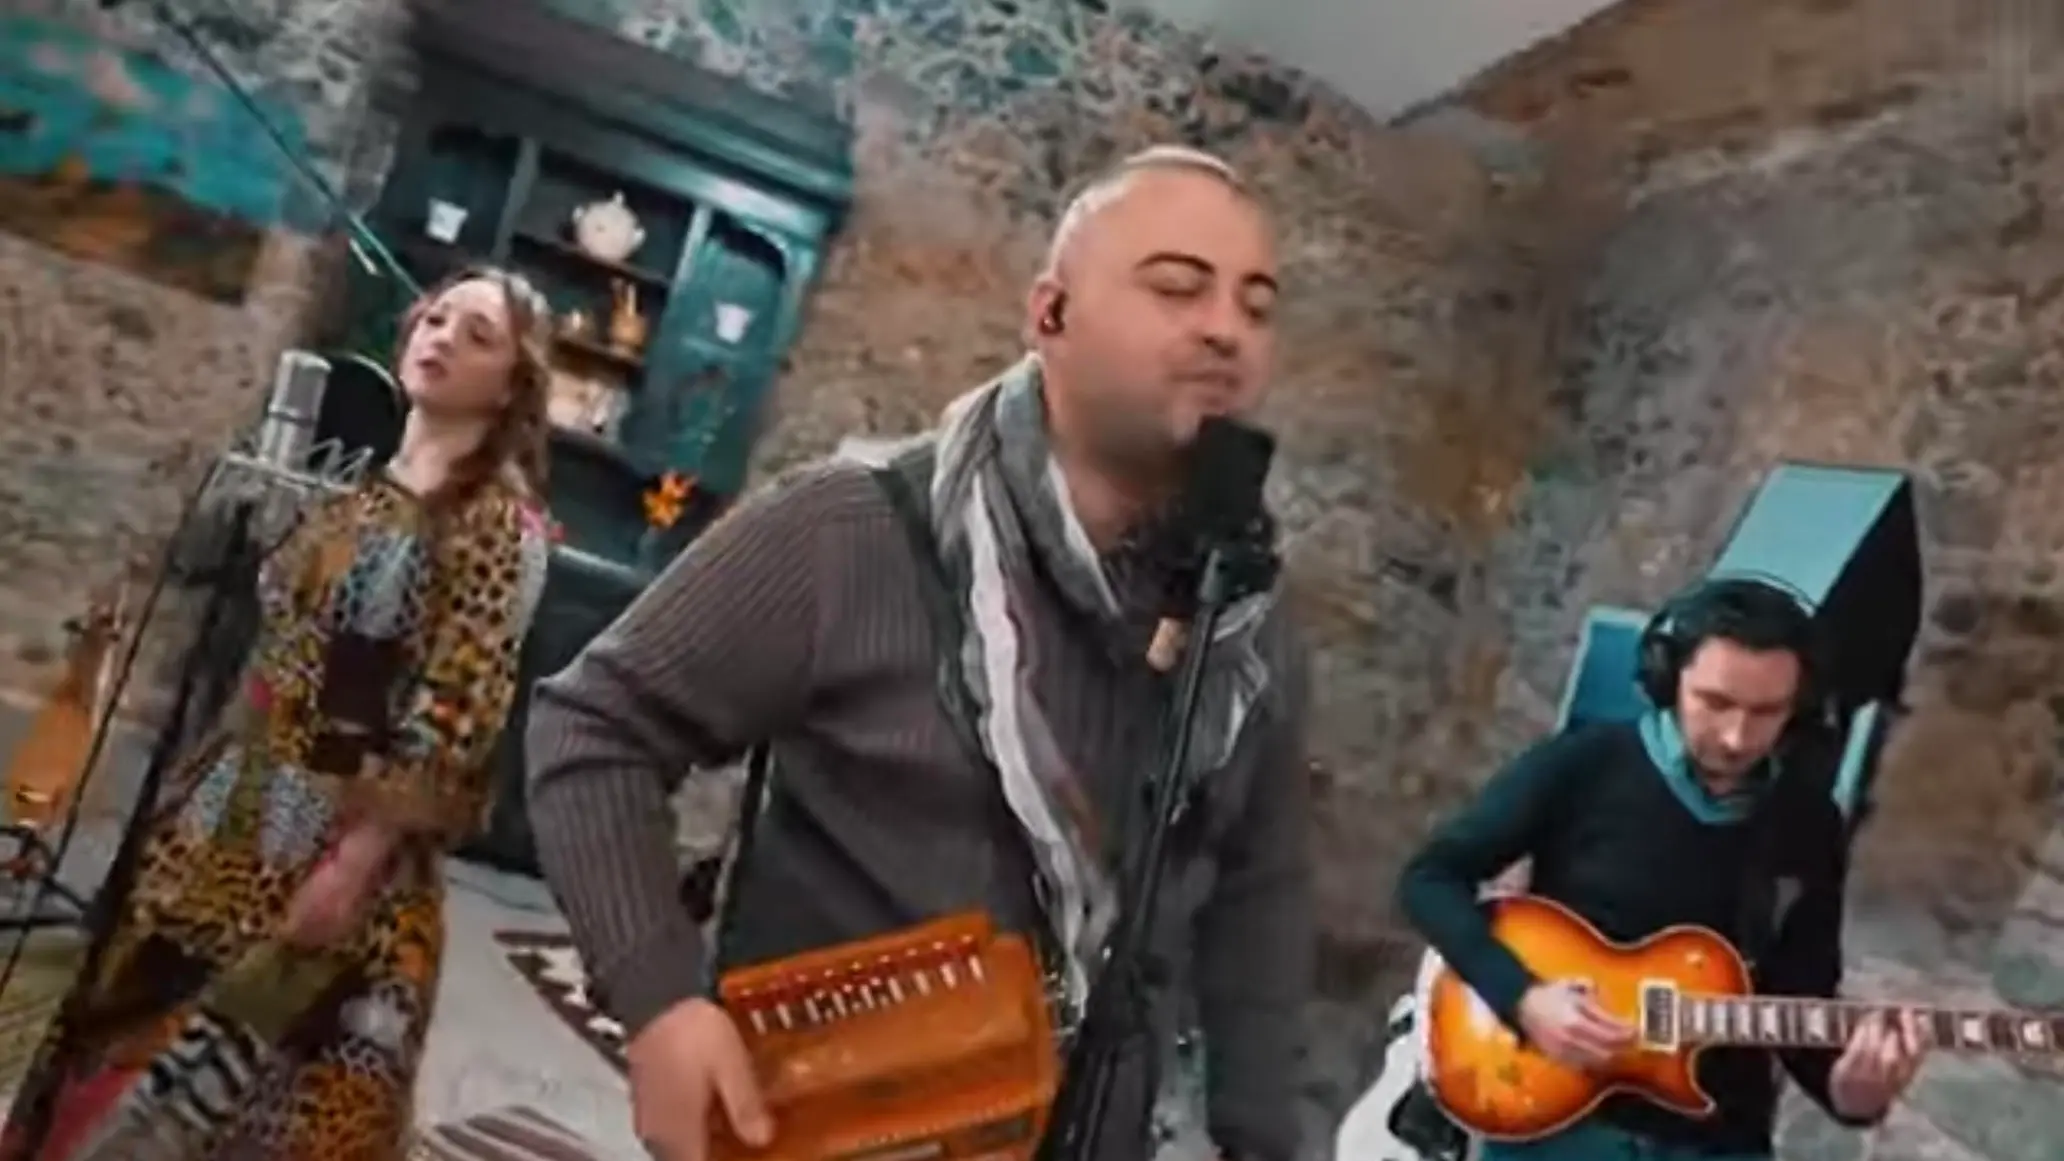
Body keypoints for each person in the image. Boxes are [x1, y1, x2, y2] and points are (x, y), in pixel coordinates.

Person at [526, 145, 1314, 1161]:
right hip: (826, 1126)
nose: (1225, 329)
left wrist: (1263, 1142)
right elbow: (594, 725)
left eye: (1257, 305)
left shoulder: (1249, 627)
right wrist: (661, 1003)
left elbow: (1260, 896)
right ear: (1050, 314)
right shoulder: (851, 531)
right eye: (1177, 286)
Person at [2, 266, 555, 1161]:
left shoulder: (499, 525)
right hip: (232, 799)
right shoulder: (369, 488)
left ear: (511, 387)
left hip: (330, 829)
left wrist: (351, 865)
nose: (443, 337)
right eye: (437, 318)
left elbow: (458, 706)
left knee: (250, 1088)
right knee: (119, 1027)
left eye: (478, 335)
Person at [1396, 577, 1927, 1161]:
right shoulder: (1584, 765)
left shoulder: (1806, 820)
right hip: (1561, 1117)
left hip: (1718, 1136)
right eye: (1716, 703)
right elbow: (1430, 879)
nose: (1737, 737)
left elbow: (1801, 990)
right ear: (1669, 679)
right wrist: (1523, 998)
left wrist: (1852, 1092)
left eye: (1767, 712)